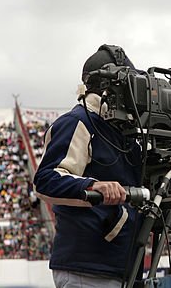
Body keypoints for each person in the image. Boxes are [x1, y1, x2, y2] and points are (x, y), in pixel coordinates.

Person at [34, 44, 145, 288]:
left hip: (123, 267)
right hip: (89, 270)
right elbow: (45, 180)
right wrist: (94, 186)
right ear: (111, 85)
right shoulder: (79, 122)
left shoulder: (124, 132)